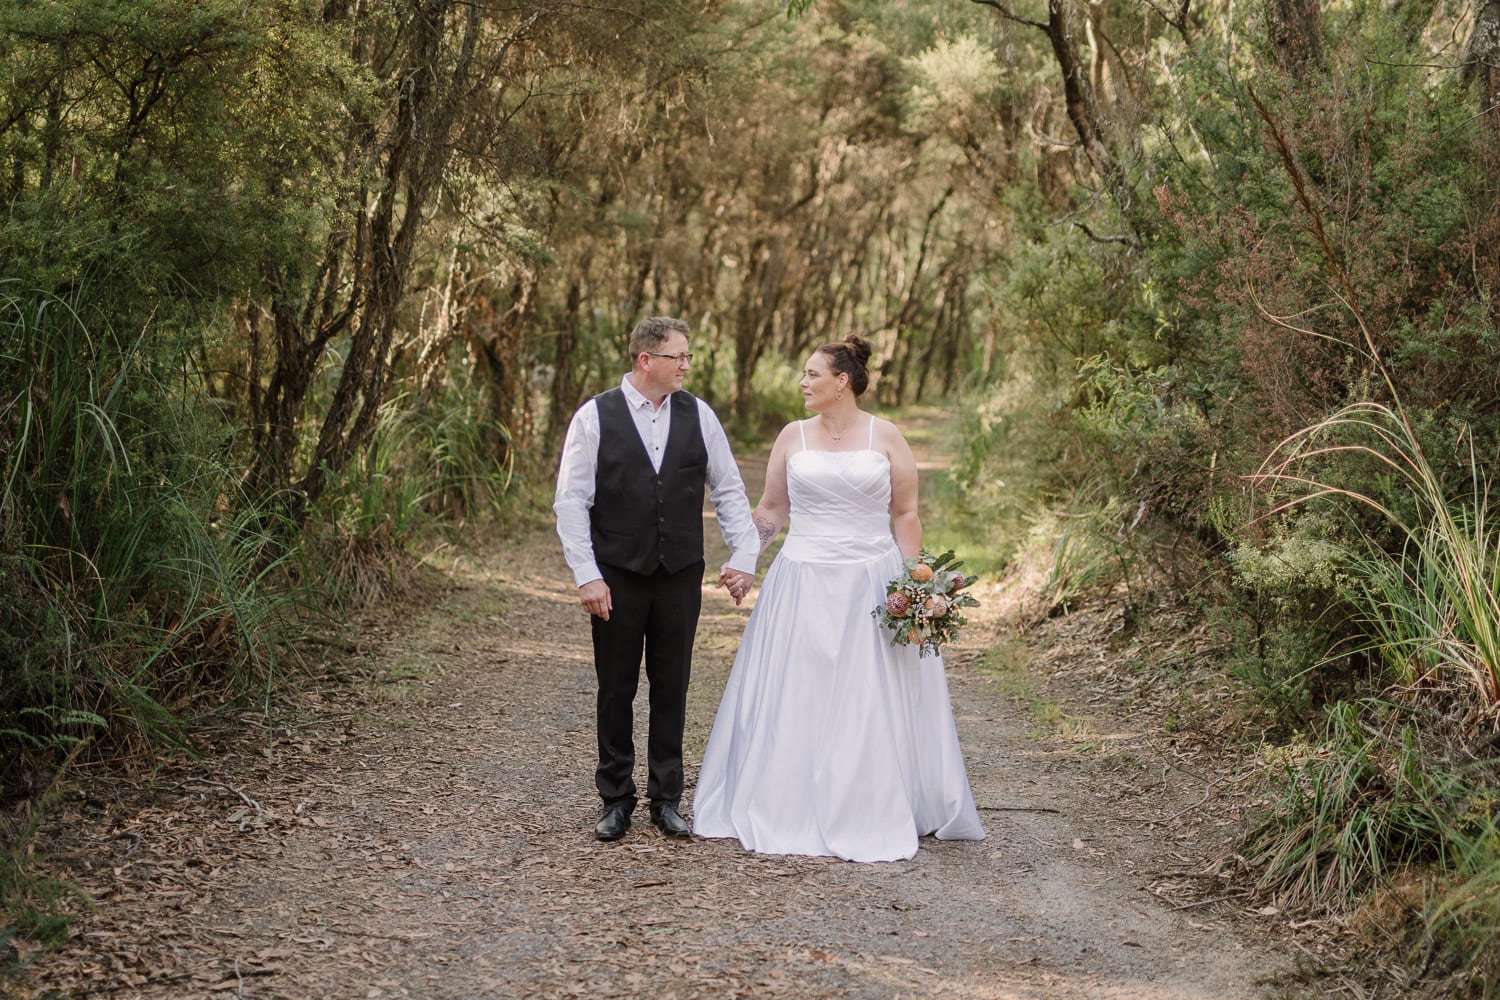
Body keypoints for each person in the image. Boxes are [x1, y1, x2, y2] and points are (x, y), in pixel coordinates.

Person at [691, 335, 985, 862]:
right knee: (799, 688)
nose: (803, 383)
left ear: (841, 382)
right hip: (801, 578)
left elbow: (905, 514)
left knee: (867, 692)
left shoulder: (887, 435)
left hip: (870, 581)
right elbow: (772, 510)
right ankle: (787, 799)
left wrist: (914, 581)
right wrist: (744, 558)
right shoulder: (792, 436)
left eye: (811, 374)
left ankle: (869, 800)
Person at [554, 316, 759, 842]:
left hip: (679, 574)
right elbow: (572, 501)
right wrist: (587, 576)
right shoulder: (594, 417)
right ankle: (615, 799)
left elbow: (729, 490)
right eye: (679, 356)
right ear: (647, 360)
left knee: (673, 686)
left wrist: (744, 550)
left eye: (688, 356)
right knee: (615, 687)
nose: (687, 365)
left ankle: (667, 799)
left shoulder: (700, 415)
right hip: (616, 575)